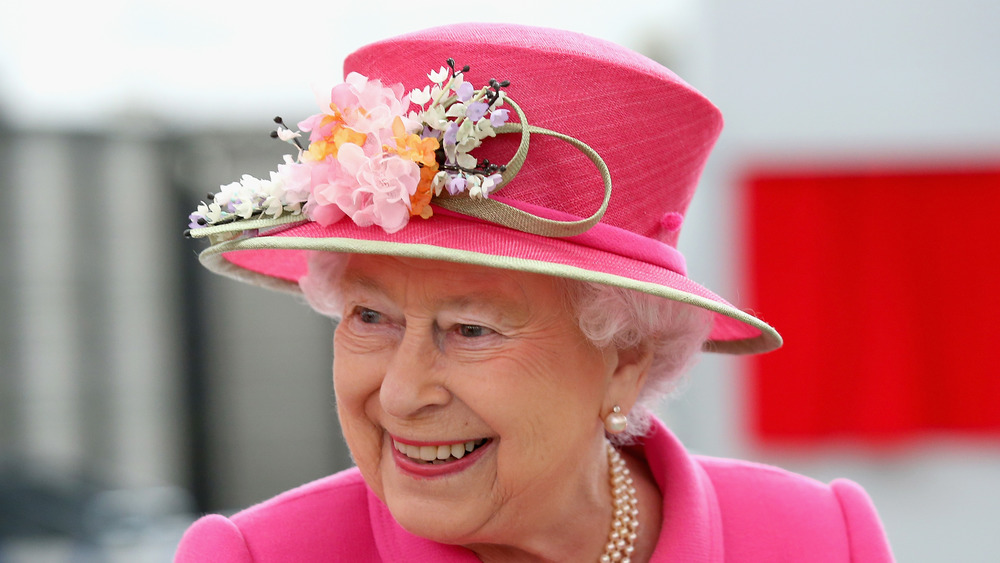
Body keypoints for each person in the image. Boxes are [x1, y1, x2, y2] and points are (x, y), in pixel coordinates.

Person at [176, 23, 893, 562]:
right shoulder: (258, 557)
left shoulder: (821, 540)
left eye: (471, 329)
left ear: (626, 361)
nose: (400, 394)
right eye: (372, 315)